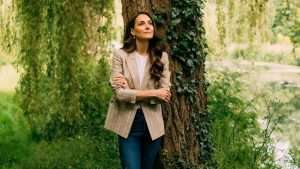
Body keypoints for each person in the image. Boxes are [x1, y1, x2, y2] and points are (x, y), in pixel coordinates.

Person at [104, 11, 171, 169]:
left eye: (149, 23)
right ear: (132, 32)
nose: (147, 26)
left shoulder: (162, 57)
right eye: (141, 23)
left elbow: (165, 94)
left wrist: (131, 92)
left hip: (152, 125)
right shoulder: (120, 55)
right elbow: (120, 94)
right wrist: (154, 93)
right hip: (128, 124)